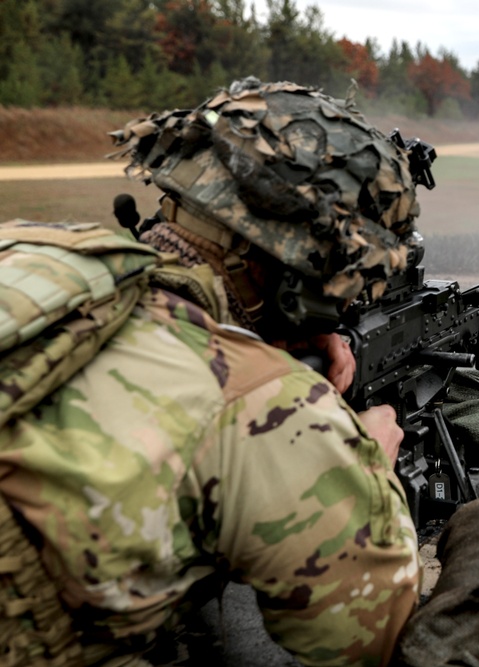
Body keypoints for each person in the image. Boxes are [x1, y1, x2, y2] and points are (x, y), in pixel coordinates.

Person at [0, 78, 427, 666]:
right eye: (342, 281)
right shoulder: (262, 406)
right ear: (294, 276)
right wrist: (366, 463)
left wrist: (258, 330)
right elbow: (372, 636)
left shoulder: (30, 252)